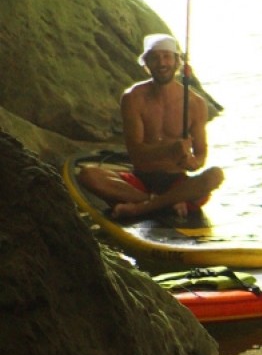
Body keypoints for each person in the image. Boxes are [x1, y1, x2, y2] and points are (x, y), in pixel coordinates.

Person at [78, 34, 223, 219]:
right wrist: (168, 150)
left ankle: (141, 207)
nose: (161, 63)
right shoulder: (133, 98)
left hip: (177, 183)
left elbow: (201, 153)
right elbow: (135, 152)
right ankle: (162, 203)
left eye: (167, 56)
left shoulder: (195, 103)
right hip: (141, 180)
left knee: (215, 176)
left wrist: (193, 163)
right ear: (146, 63)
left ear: (177, 61)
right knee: (88, 175)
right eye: (155, 57)